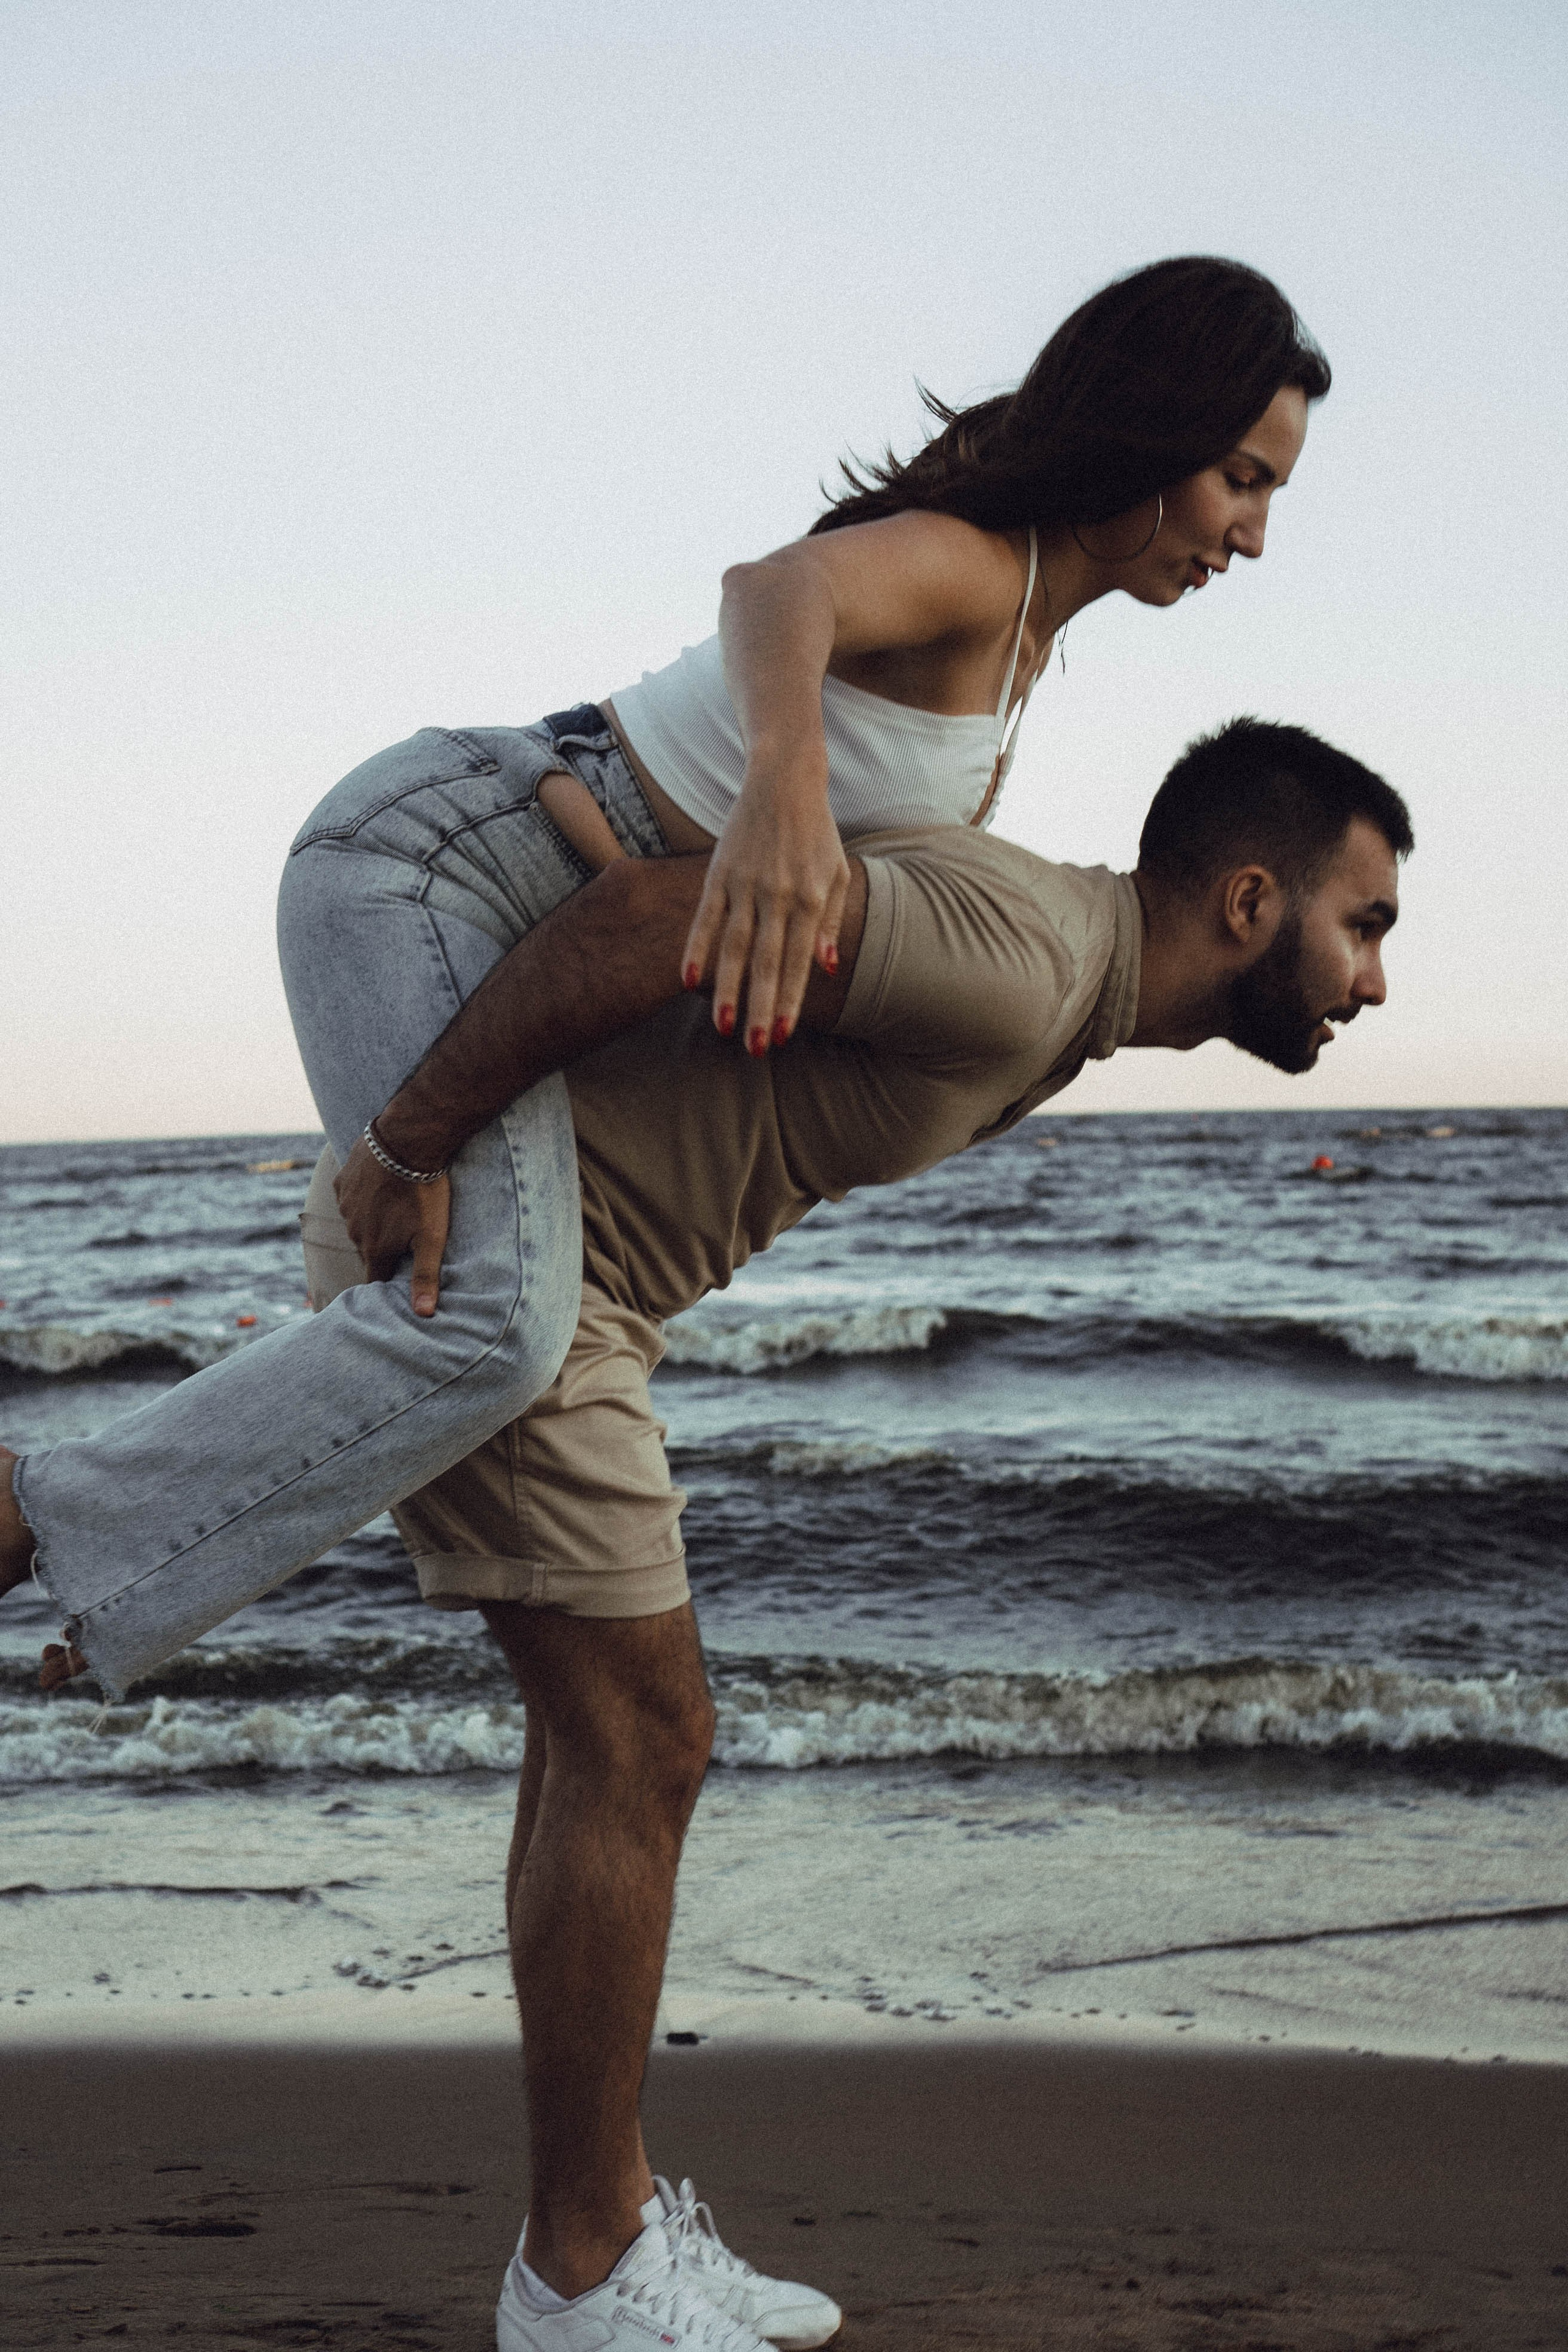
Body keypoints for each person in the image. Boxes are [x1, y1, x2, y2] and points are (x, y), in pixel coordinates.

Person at [221, 722, 1415, 2349]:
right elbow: (653, 917)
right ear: (1253, 901)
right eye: (1367, 929)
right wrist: (408, 1147)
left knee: (609, 1743)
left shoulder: (1058, 991)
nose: (1374, 984)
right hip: (515, 1285)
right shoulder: (1026, 959)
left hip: (581, 1302)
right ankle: (580, 2276)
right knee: (643, 1741)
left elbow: (708, 922)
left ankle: (604, 2235)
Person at [0, 257, 1330, 1706]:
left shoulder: (1021, 650)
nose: (1249, 537)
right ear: (1153, 432)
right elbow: (777, 589)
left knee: (510, 1329)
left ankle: (72, 1562)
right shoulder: (973, 565)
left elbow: (654, 869)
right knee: (505, 1320)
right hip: (422, 859)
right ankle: (40, 1518)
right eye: (1239, 480)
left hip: (518, 873)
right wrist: (784, 779)